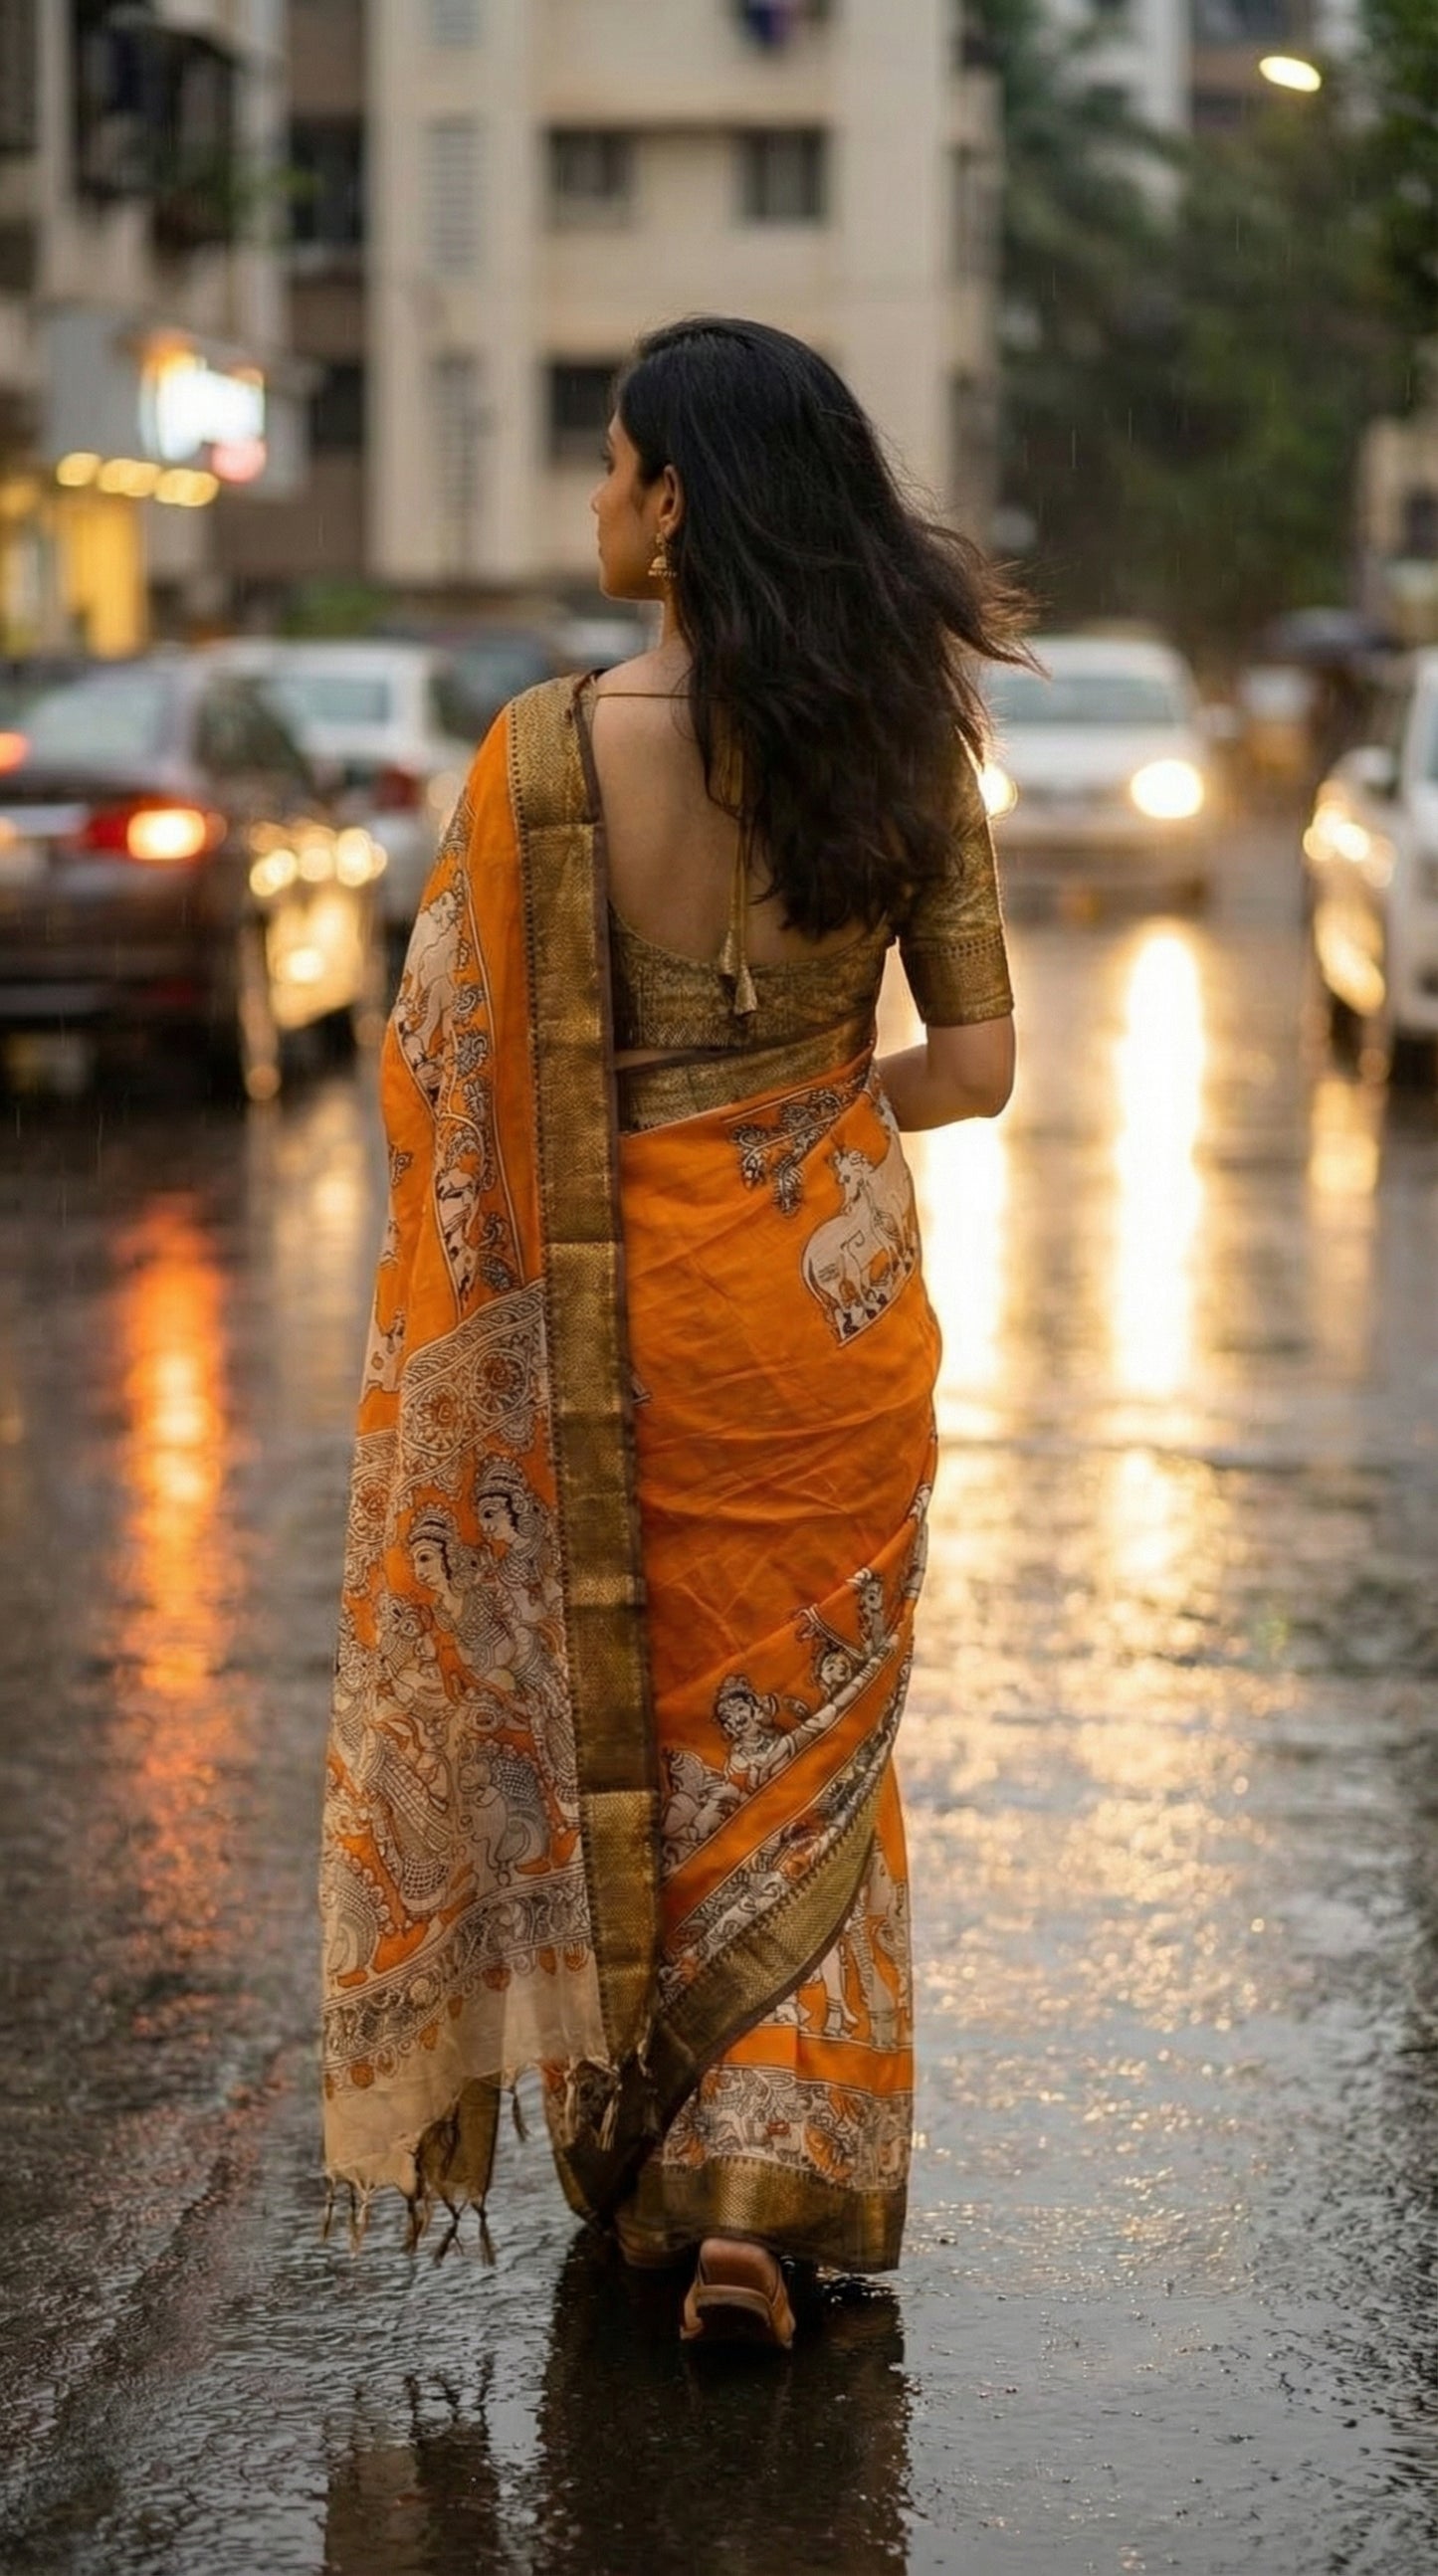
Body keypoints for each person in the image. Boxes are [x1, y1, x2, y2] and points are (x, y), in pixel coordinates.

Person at [319, 315, 1023, 2349]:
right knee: (805, 1753)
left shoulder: (539, 756)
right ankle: (760, 2196)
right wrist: (807, 1120)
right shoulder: (908, 739)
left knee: (633, 1731)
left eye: (616, 459)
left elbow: (448, 1077)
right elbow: (972, 1065)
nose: (599, 495)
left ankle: (653, 2171)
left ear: (678, 497)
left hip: (617, 1329)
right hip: (826, 1317)